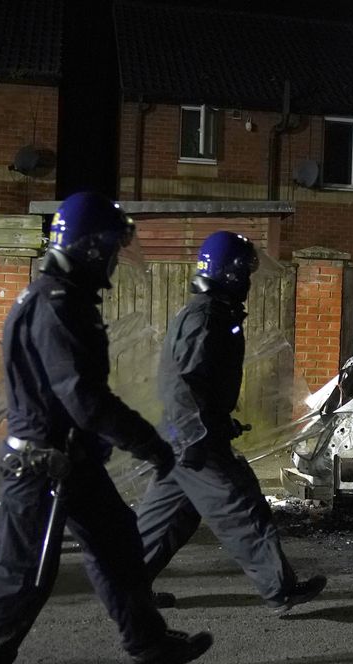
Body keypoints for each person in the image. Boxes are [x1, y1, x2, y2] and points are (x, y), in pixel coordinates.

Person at [0, 192, 211, 664]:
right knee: (23, 572)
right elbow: (84, 399)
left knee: (120, 550)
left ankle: (150, 646)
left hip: (72, 461)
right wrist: (149, 443)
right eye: (113, 246)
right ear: (90, 247)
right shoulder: (56, 305)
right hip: (44, 466)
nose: (117, 257)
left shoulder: (61, 298)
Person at [135, 230, 326, 614]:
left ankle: (125, 587)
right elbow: (182, 384)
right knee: (243, 508)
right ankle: (280, 590)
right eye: (247, 274)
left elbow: (200, 385)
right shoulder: (206, 317)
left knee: (167, 520)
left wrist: (219, 422)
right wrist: (201, 435)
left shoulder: (215, 313)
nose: (251, 283)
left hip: (186, 437)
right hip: (194, 442)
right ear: (232, 273)